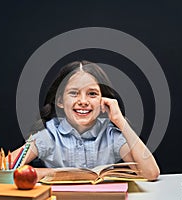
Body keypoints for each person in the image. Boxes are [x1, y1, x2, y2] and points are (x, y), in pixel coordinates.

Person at [12, 60, 160, 181]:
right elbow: (5, 168)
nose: (83, 101)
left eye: (92, 94)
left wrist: (120, 121)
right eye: (74, 93)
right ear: (60, 101)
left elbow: (151, 173)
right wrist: (51, 172)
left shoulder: (111, 134)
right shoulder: (49, 135)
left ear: (103, 101)